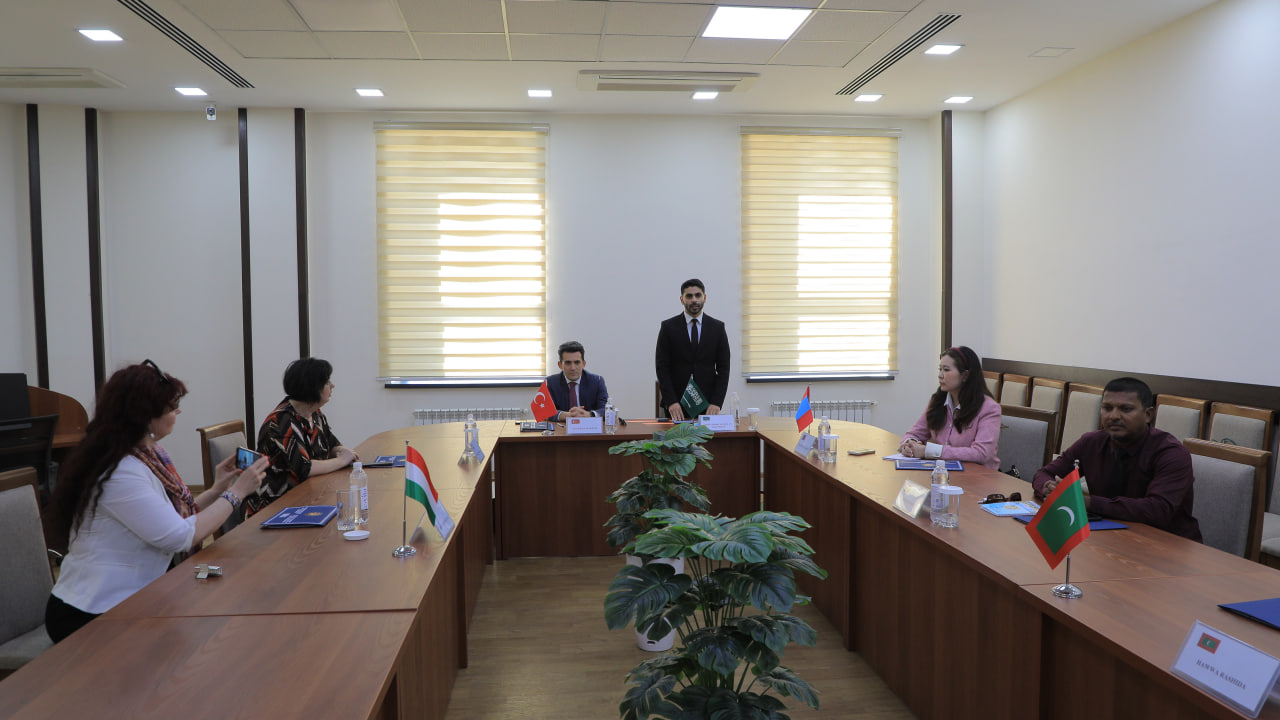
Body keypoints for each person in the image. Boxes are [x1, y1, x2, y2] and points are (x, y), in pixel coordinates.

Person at [45, 359, 267, 643]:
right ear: (145, 416)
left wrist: (218, 488)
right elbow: (179, 536)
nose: (178, 412)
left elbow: (175, 517)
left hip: (136, 595)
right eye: (172, 408)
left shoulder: (146, 455)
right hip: (93, 610)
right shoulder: (120, 471)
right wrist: (237, 493)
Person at [1033, 377, 1201, 541]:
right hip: (1110, 537)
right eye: (1107, 408)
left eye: (1125, 409)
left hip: (1167, 544)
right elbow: (1044, 473)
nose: (1113, 416)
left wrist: (1088, 503)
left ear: (1148, 414)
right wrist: (1048, 488)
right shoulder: (1091, 442)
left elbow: (1157, 510)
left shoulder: (1171, 453)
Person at [251, 357, 357, 517]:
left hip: (308, 495)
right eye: (327, 382)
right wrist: (342, 460)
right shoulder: (281, 422)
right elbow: (305, 469)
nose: (332, 385)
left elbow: (331, 444)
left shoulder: (315, 414)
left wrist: (343, 451)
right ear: (313, 387)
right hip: (276, 506)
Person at [899, 346, 1001, 470]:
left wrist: (929, 451)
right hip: (943, 473)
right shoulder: (937, 401)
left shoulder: (989, 408)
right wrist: (909, 445)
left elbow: (981, 453)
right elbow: (914, 433)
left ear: (965, 375)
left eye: (946, 370)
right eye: (940, 369)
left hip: (979, 476)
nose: (940, 375)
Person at [655, 278, 731, 421]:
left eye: (698, 295)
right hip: (677, 406)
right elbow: (662, 368)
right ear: (682, 299)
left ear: (704, 298)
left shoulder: (718, 328)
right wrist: (671, 401)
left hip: (707, 405)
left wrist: (716, 402)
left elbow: (724, 368)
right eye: (689, 296)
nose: (694, 300)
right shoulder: (668, 327)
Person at [545, 340, 609, 422]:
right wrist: (567, 415)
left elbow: (606, 409)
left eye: (577, 362)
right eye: (568, 363)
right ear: (560, 365)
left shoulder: (597, 381)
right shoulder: (550, 382)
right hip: (562, 428)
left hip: (589, 427)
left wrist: (589, 414)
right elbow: (544, 411)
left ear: (583, 364)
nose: (573, 368)